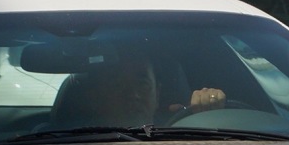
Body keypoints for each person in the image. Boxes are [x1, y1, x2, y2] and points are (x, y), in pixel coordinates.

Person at [51, 58, 227, 127]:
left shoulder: (191, 139)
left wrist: (212, 113)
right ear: (95, 98)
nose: (133, 95)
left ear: (157, 94)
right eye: (117, 85)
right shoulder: (47, 143)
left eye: (142, 84)